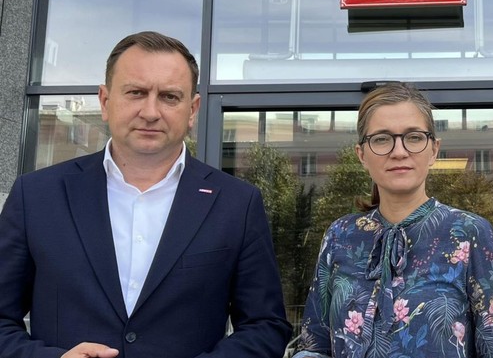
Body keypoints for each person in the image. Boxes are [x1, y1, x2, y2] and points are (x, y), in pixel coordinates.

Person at [0, 31, 292, 358]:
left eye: (169, 97)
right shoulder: (36, 196)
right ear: (105, 101)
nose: (151, 112)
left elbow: (266, 326)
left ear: (192, 110)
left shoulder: (237, 204)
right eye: (136, 93)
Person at [294, 81, 493, 358]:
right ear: (362, 155)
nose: (399, 151)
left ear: (434, 150)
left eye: (414, 137)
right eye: (382, 139)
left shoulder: (469, 232)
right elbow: (314, 344)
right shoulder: (340, 235)